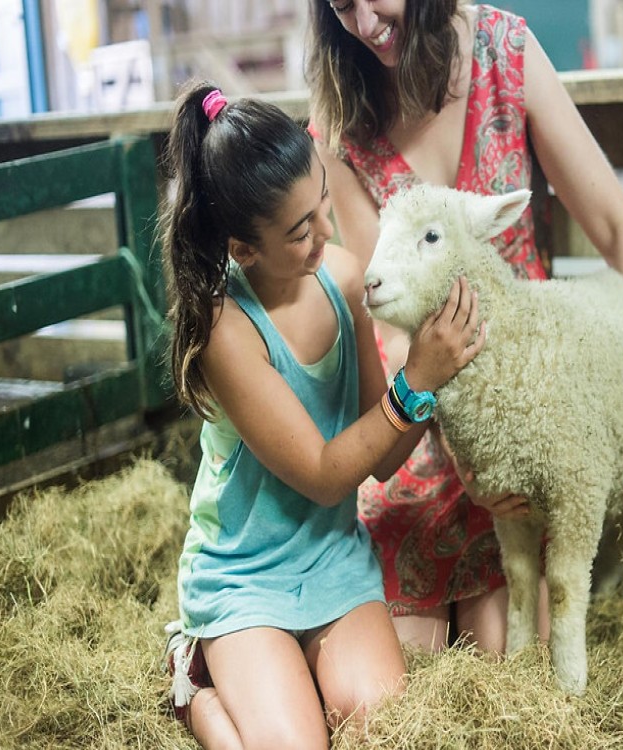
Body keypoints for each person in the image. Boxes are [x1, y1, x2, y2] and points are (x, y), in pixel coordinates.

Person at [306, 0, 623, 653]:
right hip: (426, 414)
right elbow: (391, 320)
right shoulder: (340, 115)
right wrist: (463, 452)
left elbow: (616, 225)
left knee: (505, 651)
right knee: (411, 661)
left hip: (531, 405)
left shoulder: (504, 49)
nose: (364, 24)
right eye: (341, 6)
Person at [160, 80, 486, 748]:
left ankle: (283, 683)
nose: (327, 234)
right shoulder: (227, 330)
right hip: (244, 578)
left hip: (333, 561)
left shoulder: (340, 280)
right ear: (242, 249)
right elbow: (324, 473)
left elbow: (378, 450)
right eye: (300, 229)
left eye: (324, 205)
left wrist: (433, 381)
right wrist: (414, 380)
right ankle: (194, 689)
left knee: (386, 730)